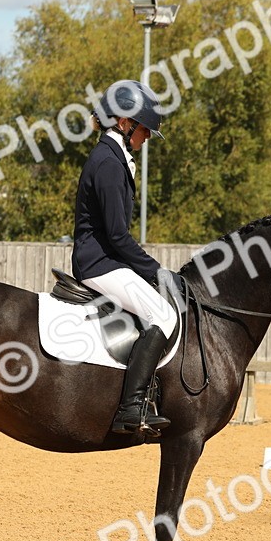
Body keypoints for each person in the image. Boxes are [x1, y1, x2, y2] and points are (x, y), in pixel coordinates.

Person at [72, 79, 178, 435]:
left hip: (105, 259)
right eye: (144, 129)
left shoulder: (114, 157)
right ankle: (130, 408)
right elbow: (117, 235)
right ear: (123, 123)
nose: (147, 137)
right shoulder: (107, 162)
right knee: (162, 314)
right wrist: (157, 271)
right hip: (98, 262)